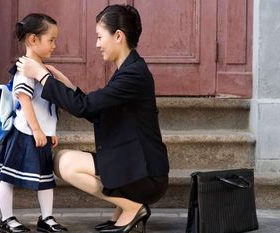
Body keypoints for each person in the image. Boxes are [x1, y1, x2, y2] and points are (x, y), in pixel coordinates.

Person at [16, 4, 170, 233]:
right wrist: (66, 85)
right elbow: (94, 110)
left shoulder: (133, 74)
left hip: (146, 173)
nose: (97, 44)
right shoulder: (130, 69)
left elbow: (84, 107)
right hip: (135, 164)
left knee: (65, 163)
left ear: (118, 36)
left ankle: (132, 207)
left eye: (100, 37)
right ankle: (126, 207)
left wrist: (41, 75)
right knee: (61, 159)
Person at [0, 13, 67, 233]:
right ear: (33, 39)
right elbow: (23, 99)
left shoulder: (40, 68)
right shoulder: (26, 67)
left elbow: (45, 104)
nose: (55, 45)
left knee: (45, 178)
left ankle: (47, 218)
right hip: (24, 133)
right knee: (8, 177)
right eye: (51, 40)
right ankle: (7, 219)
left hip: (39, 133)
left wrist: (49, 130)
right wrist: (36, 129)